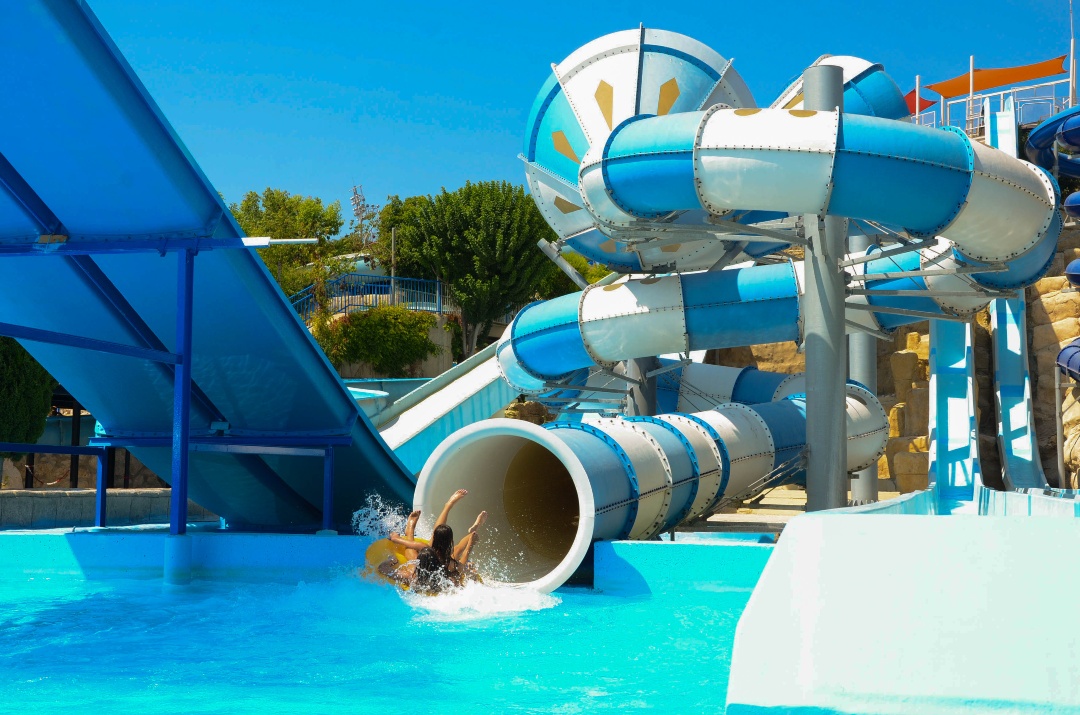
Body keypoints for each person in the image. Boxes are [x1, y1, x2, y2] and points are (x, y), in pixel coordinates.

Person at [389, 489, 487, 590]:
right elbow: (464, 558)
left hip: (433, 561)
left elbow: (386, 569)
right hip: (442, 562)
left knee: (414, 557)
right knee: (458, 549)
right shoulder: (451, 564)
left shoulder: (421, 559)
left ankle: (410, 531)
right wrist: (471, 544)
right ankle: (472, 527)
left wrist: (395, 541)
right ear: (451, 542)